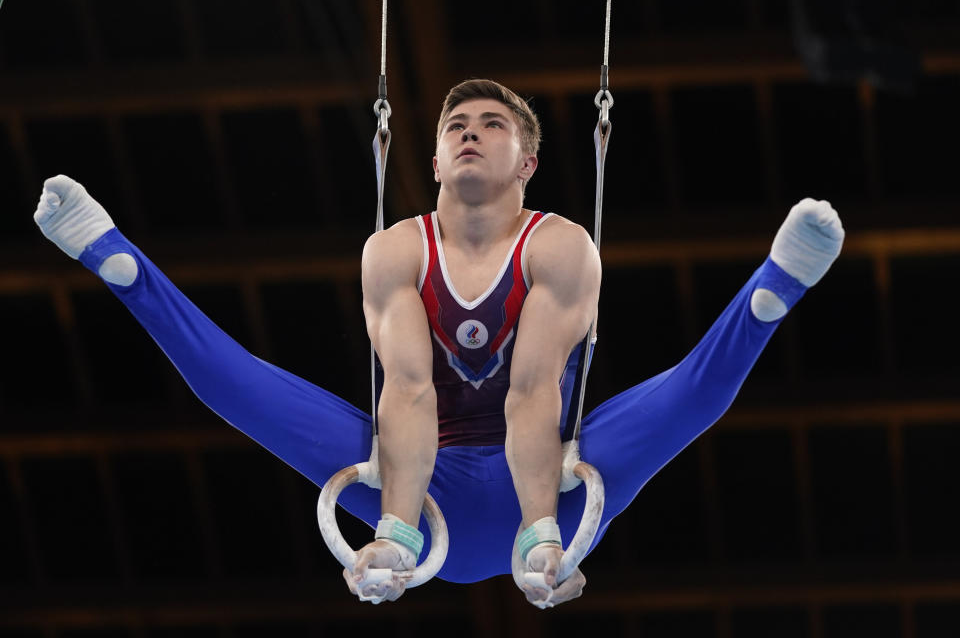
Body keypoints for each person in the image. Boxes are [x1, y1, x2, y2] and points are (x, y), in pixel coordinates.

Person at [33, 79, 844, 608]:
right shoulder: (394, 250)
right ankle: (117, 260)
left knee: (685, 395)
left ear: (526, 160)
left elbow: (532, 393)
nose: (469, 133)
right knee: (240, 385)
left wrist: (542, 536)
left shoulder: (560, 247)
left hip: (553, 481)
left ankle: (772, 291)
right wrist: (393, 531)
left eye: (492, 125)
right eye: (456, 124)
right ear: (429, 158)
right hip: (418, 485)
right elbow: (410, 390)